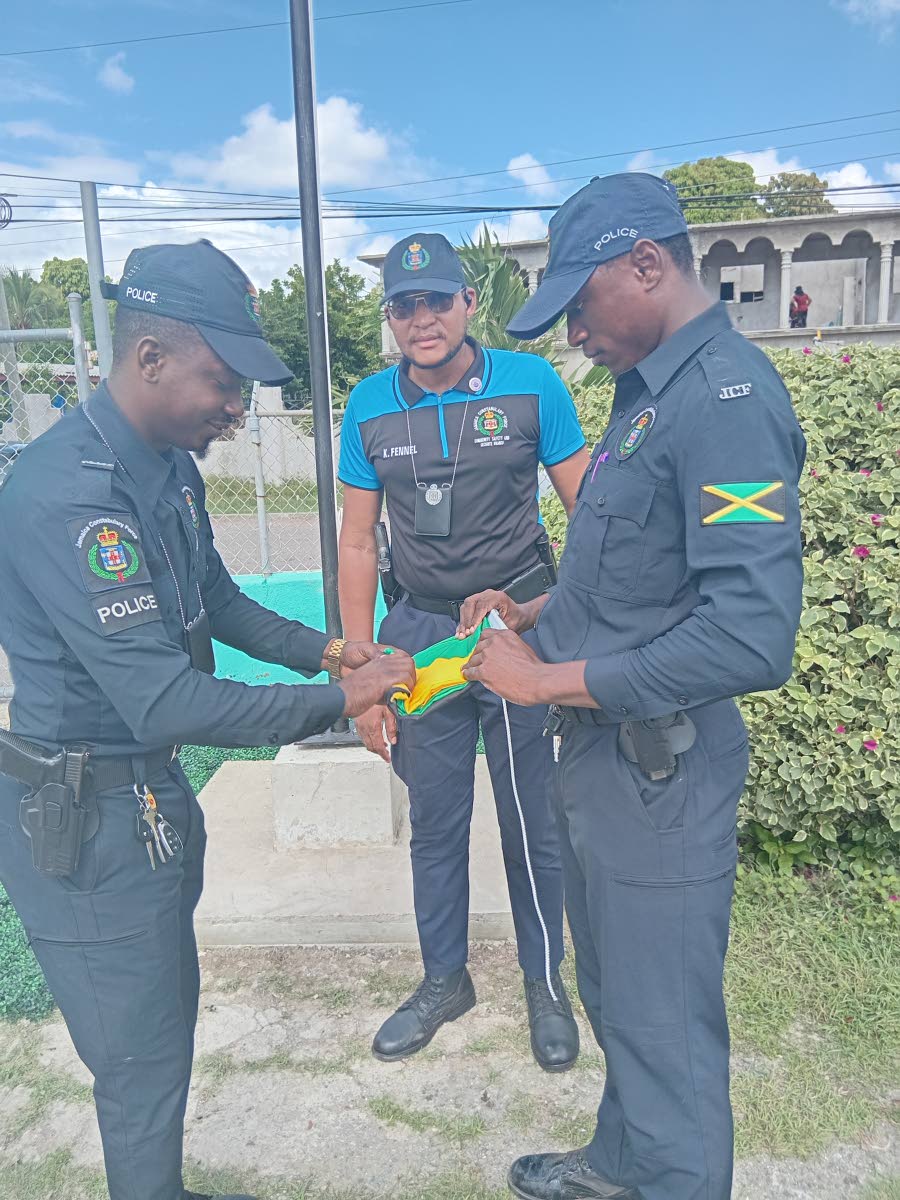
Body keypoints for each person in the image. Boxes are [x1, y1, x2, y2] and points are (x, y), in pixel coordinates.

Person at [0, 239, 414, 1200]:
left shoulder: (165, 464)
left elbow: (217, 602)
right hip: (86, 820)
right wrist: (339, 700)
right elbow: (166, 697)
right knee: (139, 1074)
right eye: (222, 382)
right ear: (148, 360)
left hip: (142, 797)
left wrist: (325, 651)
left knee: (161, 1034)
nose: (237, 408)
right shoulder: (71, 494)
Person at [459, 174, 806, 1200]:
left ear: (646, 264)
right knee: (615, 995)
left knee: (665, 1028)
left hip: (663, 778)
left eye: (580, 301)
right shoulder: (646, 395)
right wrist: (534, 615)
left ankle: (671, 1172)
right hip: (607, 764)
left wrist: (546, 679)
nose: (573, 331)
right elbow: (630, 577)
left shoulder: (728, 400)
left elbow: (752, 636)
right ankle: (623, 1162)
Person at [337, 232, 590, 1069]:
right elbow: (358, 544)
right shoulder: (369, 405)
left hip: (512, 630)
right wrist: (365, 673)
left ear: (467, 302)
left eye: (436, 300)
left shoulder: (532, 385)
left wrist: (534, 610)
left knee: (530, 821)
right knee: (435, 822)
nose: (422, 319)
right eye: (404, 306)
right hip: (419, 639)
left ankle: (545, 986)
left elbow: (592, 521)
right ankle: (445, 979)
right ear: (392, 318)